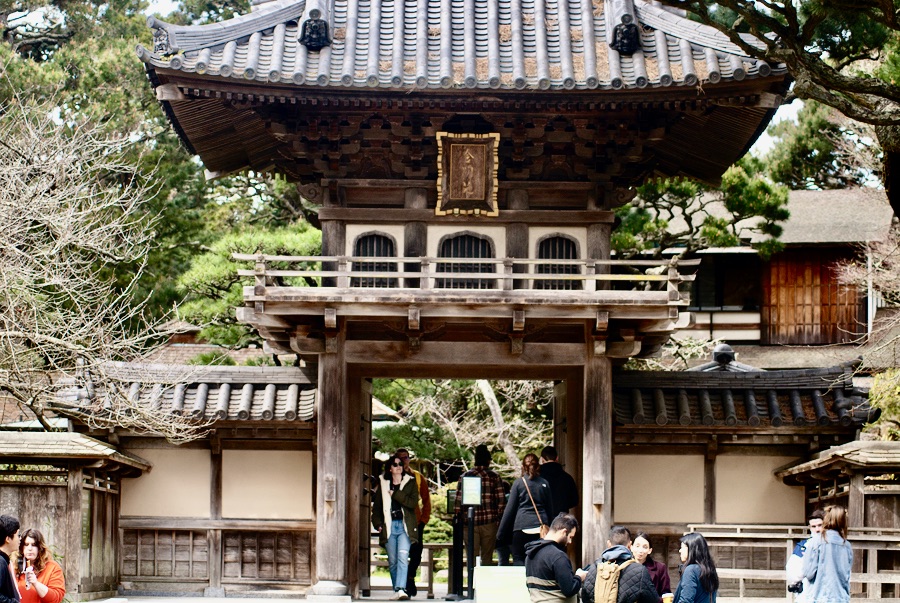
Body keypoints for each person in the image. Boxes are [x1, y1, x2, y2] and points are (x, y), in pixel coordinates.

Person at [372, 454, 420, 601]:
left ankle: (401, 589)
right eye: (395, 464)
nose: (398, 467)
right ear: (390, 469)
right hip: (389, 526)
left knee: (403, 557)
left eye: (400, 464)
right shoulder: (383, 484)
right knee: (393, 561)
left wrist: (396, 494)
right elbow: (377, 508)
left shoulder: (410, 482)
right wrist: (378, 524)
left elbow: (412, 503)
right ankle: (396, 590)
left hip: (404, 526)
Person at [453, 444, 506, 566]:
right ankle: (485, 578)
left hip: (470, 522)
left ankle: (472, 578)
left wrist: (461, 518)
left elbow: (457, 503)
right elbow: (501, 502)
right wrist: (498, 519)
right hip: (489, 522)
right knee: (487, 558)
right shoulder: (494, 476)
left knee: (471, 557)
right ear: (488, 460)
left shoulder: (465, 476)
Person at [497, 453, 552, 565]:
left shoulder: (518, 483)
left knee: (518, 558)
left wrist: (500, 533)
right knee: (539, 560)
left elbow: (509, 510)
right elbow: (550, 509)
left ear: (523, 466)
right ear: (538, 466)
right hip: (541, 528)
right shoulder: (544, 483)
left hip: (522, 527)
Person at [581, 526, 657, 603]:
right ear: (630, 544)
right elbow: (653, 600)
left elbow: (585, 596)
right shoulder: (639, 571)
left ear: (608, 544)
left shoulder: (594, 567)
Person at [524, 513, 587, 603]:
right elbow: (569, 590)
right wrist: (579, 577)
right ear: (564, 532)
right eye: (570, 537)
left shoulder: (530, 554)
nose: (570, 541)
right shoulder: (558, 556)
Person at [396, 448, 431, 598]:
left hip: (415, 521)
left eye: (406, 458)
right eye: (401, 458)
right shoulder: (392, 476)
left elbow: (426, 499)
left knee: (416, 553)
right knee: (400, 554)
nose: (404, 461)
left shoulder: (417, 476)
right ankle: (402, 585)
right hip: (398, 520)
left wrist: (424, 519)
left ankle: (410, 577)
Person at [802, 505, 852, 603]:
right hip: (840, 598)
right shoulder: (846, 545)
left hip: (819, 596)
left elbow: (808, 573)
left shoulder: (816, 542)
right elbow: (846, 576)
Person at [13, 530, 64, 603]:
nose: (30, 548)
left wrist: (36, 583)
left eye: (34, 545)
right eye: (26, 544)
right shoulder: (13, 567)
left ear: (40, 547)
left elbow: (55, 598)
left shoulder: (52, 567)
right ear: (21, 548)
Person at [785, 508, 825, 600]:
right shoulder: (803, 546)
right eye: (813, 526)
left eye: (820, 525)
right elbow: (793, 573)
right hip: (807, 592)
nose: (817, 529)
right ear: (809, 527)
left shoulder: (834, 546)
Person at [674, 533, 718, 603]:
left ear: (691, 549)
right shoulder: (709, 570)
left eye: (682, 547)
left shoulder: (691, 570)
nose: (680, 551)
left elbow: (686, 601)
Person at [539, 446, 579, 519]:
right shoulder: (567, 477)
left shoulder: (538, 478)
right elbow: (574, 501)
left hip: (543, 517)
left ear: (542, 459)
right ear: (557, 458)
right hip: (562, 518)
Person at [631, 531, 671, 602]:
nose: (640, 550)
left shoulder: (660, 568)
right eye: (637, 546)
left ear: (650, 550)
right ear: (631, 547)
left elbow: (666, 594)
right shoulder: (624, 567)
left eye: (645, 547)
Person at [0, 515, 20, 603]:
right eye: (17, 535)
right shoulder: (1, 562)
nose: (20, 539)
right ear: (8, 539)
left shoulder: (3, 560)